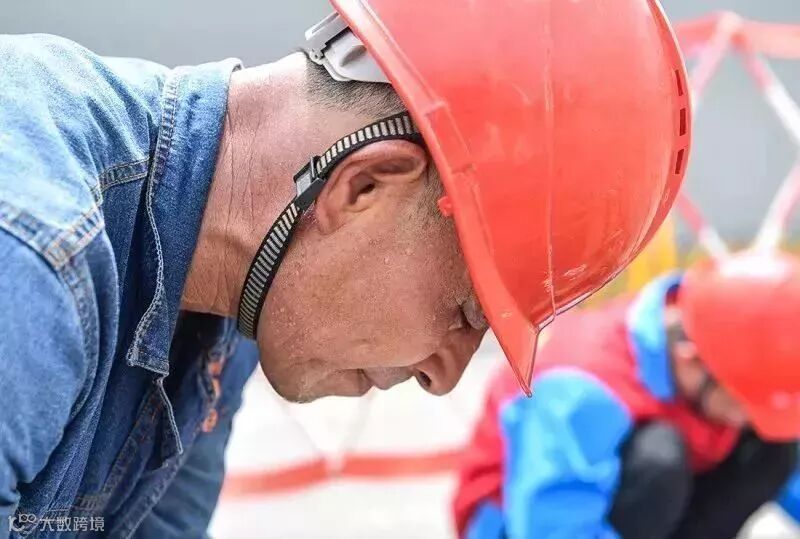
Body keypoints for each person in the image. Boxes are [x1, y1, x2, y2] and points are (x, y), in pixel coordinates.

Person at [0, 0, 689, 536]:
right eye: (464, 311)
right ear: (362, 188)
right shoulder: (31, 263)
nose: (445, 376)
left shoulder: (231, 302)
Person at [453, 250, 800, 539]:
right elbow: (549, 529)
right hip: (529, 521)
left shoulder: (707, 330)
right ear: (692, 359)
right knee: (659, 460)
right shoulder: (581, 392)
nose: (749, 417)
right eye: (745, 403)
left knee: (771, 449)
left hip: (639, 505)